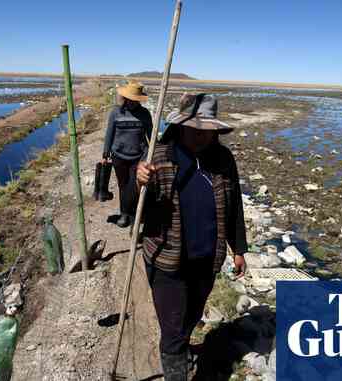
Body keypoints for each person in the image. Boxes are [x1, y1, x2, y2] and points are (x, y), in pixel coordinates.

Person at [134, 93, 248, 380]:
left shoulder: (223, 159)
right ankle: (177, 372)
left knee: (190, 319)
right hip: (166, 259)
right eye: (194, 129)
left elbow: (234, 206)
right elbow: (132, 209)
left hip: (207, 259)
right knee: (172, 329)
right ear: (181, 126)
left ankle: (183, 351)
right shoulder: (158, 156)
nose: (200, 136)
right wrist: (138, 182)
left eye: (207, 131)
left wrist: (238, 249)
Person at [102, 81, 153, 227]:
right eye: (129, 99)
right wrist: (105, 153)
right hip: (119, 157)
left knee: (135, 186)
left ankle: (136, 214)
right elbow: (109, 133)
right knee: (123, 186)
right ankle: (124, 214)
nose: (131, 102)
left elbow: (152, 137)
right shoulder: (116, 112)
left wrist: (148, 155)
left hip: (138, 158)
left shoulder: (145, 114)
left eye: (134, 100)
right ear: (125, 98)